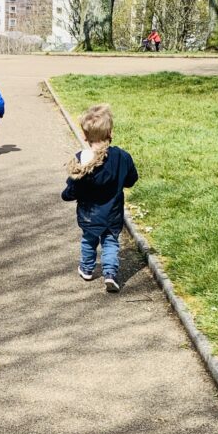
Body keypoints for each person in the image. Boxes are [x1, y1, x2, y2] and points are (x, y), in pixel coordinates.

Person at [61, 104, 139, 293]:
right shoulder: (122, 157)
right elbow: (131, 180)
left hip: (89, 215)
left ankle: (87, 269)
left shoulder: (81, 160)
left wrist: (67, 194)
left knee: (89, 240)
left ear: (86, 137)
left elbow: (73, 189)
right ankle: (110, 274)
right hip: (112, 214)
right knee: (111, 242)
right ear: (110, 133)